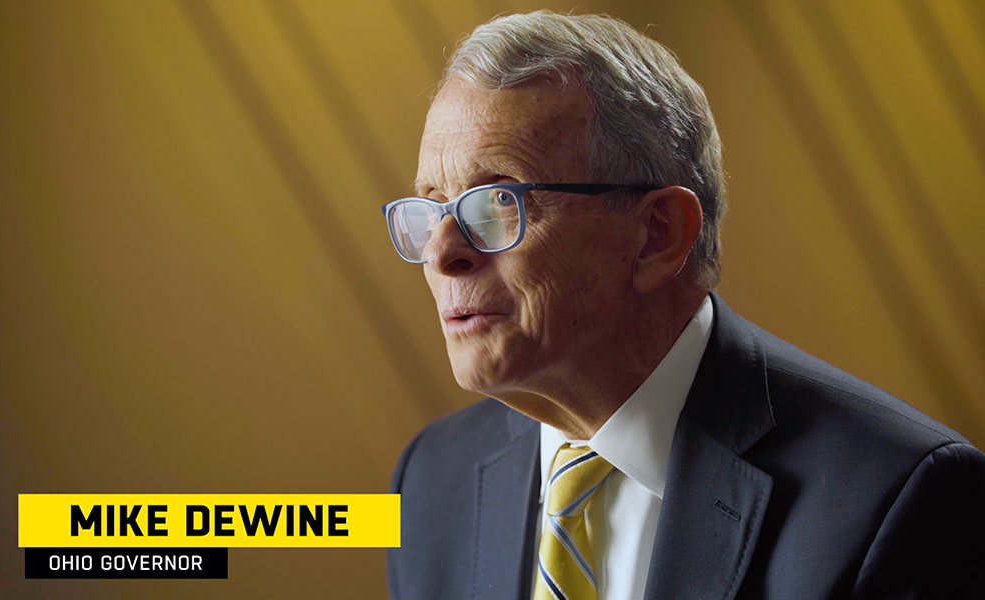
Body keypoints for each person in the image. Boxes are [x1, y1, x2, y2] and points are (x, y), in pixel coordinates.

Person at [382, 11, 985, 600]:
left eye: (497, 203)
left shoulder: (901, 498)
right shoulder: (432, 479)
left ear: (658, 235)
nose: (441, 253)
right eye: (432, 207)